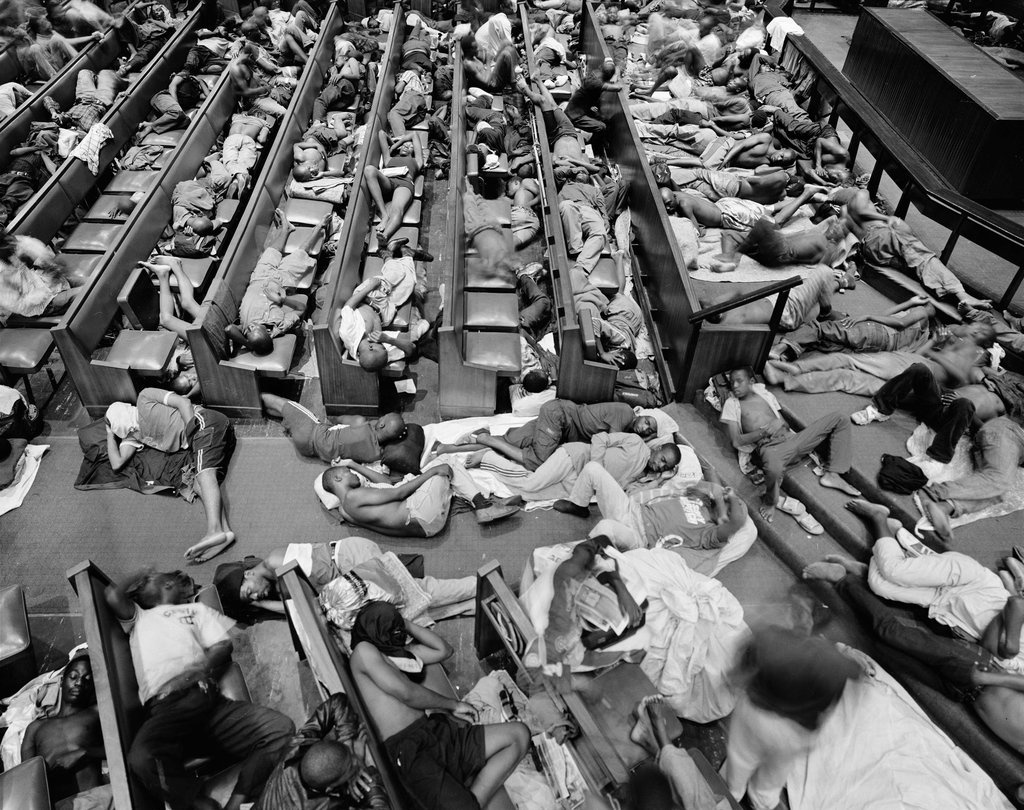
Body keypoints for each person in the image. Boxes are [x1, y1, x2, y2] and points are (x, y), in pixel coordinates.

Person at [803, 526, 1024, 757]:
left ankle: (861, 577)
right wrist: (987, 676)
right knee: (892, 632)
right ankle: (842, 579)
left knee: (887, 648)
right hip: (979, 671)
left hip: (962, 692)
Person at [105, 570, 294, 810]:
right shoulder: (139, 617)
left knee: (281, 730)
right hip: (167, 709)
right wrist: (144, 571)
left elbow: (223, 645)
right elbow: (112, 595)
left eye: (160, 580)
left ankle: (236, 802)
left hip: (207, 700)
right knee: (141, 758)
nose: (161, 583)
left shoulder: (196, 611)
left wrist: (201, 667)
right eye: (154, 581)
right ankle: (198, 804)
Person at [349, 602, 530, 810]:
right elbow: (405, 692)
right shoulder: (364, 652)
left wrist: (405, 623)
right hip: (409, 750)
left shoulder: (398, 654)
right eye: (391, 628)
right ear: (373, 630)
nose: (398, 633)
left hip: (435, 732)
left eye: (398, 626)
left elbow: (444, 650)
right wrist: (453, 705)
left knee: (519, 735)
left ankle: (467, 801)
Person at [725, 626, 861, 810]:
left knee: (741, 756)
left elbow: (753, 650)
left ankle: (732, 789)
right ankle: (763, 797)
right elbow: (849, 679)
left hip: (757, 716)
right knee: (778, 768)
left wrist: (737, 675)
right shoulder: (834, 667)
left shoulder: (780, 645)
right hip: (797, 733)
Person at [104, 388, 236, 563]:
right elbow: (117, 463)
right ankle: (225, 535)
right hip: (205, 441)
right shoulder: (137, 435)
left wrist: (192, 435)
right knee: (197, 485)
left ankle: (214, 530)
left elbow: (184, 403)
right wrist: (109, 435)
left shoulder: (145, 397)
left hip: (204, 422)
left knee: (204, 474)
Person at [213, 539, 476, 622]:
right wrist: (258, 606)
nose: (257, 597)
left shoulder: (276, 562)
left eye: (250, 593)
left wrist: (260, 607)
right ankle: (476, 600)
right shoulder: (276, 579)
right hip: (352, 573)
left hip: (351, 559)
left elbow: (310, 606)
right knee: (412, 612)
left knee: (415, 597)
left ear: (247, 574)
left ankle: (480, 584)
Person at [721, 368, 860, 522]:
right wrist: (764, 432)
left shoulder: (765, 394)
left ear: (751, 382)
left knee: (840, 418)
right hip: (771, 447)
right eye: (731, 382)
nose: (734, 385)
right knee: (774, 469)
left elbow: (784, 423)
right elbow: (736, 441)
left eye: (739, 381)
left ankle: (833, 473)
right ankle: (770, 501)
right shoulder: (731, 404)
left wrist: (780, 422)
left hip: (792, 439)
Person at [552, 460, 749, 552]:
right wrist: (720, 495)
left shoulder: (711, 535)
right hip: (632, 510)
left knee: (605, 528)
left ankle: (573, 562)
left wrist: (730, 497)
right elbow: (704, 485)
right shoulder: (702, 499)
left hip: (638, 536)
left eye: (729, 510)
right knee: (593, 468)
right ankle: (579, 505)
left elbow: (738, 521)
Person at [843, 190, 990, 310]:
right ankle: (960, 293)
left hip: (873, 251)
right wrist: (886, 218)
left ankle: (956, 299)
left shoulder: (843, 213)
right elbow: (862, 211)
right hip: (880, 236)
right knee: (924, 258)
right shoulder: (860, 193)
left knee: (915, 267)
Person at [455, 432, 684, 504]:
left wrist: (659, 480)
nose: (660, 464)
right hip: (574, 457)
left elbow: (630, 497)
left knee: (528, 494)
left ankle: (499, 463)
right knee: (531, 483)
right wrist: (598, 465)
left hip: (577, 483)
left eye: (665, 465)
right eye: (662, 458)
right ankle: (488, 457)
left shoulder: (643, 477)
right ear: (658, 448)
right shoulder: (636, 443)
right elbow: (600, 438)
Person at [850, 362, 1005, 463]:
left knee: (965, 403)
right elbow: (976, 368)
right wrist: (985, 379)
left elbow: (987, 432)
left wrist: (961, 405)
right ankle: (880, 410)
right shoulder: (1003, 379)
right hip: (939, 397)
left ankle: (937, 458)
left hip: (951, 416)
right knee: (920, 369)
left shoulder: (1010, 408)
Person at [254, 694, 386, 810]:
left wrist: (348, 744)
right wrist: (370, 779)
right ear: (330, 789)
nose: (355, 762)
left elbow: (337, 703)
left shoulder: (297, 747)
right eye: (350, 768)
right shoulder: (325, 806)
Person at [225, 213, 331, 355]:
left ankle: (285, 229)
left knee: (271, 251)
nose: (250, 327)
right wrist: (282, 300)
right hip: (282, 281)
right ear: (268, 334)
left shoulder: (245, 330)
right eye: (254, 329)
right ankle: (319, 227)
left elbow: (229, 329)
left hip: (260, 277)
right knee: (300, 254)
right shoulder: (279, 327)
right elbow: (300, 309)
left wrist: (248, 344)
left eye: (249, 332)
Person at [316, 462, 520, 535]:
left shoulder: (345, 509)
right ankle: (483, 506)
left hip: (424, 526)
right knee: (445, 463)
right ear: (337, 477)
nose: (355, 474)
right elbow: (398, 492)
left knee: (443, 473)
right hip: (420, 513)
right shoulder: (354, 495)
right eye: (348, 471)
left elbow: (387, 484)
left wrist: (352, 463)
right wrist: (431, 472)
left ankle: (481, 502)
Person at [457, 399, 657, 472]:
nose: (645, 428)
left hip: (559, 425)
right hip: (559, 417)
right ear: (641, 413)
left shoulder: (628, 429)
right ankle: (487, 440)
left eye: (650, 430)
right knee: (539, 461)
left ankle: (446, 447)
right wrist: (643, 441)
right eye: (647, 421)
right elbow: (610, 446)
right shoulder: (626, 413)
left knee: (510, 444)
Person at [920, 416, 1024, 541]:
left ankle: (944, 507)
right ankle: (934, 493)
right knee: (1000, 479)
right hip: (1008, 433)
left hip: (1010, 443)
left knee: (999, 492)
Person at [336, 238, 432, 371]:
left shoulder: (348, 334)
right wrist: (389, 340)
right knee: (409, 284)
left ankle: (388, 253)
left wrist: (369, 287)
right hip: (385, 312)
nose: (382, 345)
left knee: (397, 274)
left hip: (369, 297)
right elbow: (411, 349)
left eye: (380, 346)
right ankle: (405, 254)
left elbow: (348, 307)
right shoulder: (380, 352)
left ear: (371, 348)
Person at [20, 654, 104, 802]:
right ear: (61, 681)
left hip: (95, 799)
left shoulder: (98, 713)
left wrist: (86, 753)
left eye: (87, 679)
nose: (79, 682)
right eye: (73, 676)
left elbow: (124, 747)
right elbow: (27, 778)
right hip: (57, 805)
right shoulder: (35, 728)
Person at [260, 392, 406, 464]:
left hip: (311, 431)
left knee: (280, 402)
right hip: (310, 451)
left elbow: (337, 419)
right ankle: (284, 420)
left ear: (381, 424)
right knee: (287, 414)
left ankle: (247, 393)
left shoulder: (361, 423)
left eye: (384, 417)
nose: (381, 417)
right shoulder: (375, 455)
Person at [0, 232, 77, 323]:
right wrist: (41, 294)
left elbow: (32, 246)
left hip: (55, 283)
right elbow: (17, 305)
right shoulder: (2, 275)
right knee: (85, 294)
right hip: (45, 303)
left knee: (94, 283)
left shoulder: (11, 244)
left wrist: (46, 262)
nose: (13, 246)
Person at [365, 131, 425, 245]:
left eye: (410, 147)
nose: (406, 147)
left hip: (404, 183)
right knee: (369, 170)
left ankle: (385, 236)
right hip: (388, 181)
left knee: (397, 209)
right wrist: (394, 146)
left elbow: (414, 135)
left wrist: (402, 141)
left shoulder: (417, 161)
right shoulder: (388, 159)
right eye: (405, 145)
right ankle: (384, 215)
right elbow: (382, 133)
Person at [564, 57, 620, 143]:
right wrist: (617, 75)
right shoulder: (597, 83)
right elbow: (617, 88)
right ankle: (592, 145)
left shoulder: (595, 73)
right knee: (601, 127)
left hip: (579, 107)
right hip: (575, 115)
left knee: (601, 117)